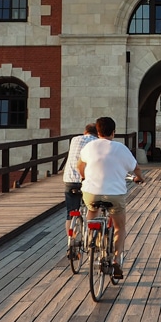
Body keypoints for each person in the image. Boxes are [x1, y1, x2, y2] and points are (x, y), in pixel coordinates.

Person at [78, 115, 143, 278]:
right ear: (113, 132)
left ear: (97, 131)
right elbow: (136, 168)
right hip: (114, 194)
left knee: (92, 213)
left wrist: (84, 177)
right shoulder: (120, 148)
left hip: (91, 193)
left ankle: (91, 239)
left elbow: (80, 165)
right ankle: (115, 261)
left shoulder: (90, 146)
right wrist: (140, 178)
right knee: (120, 227)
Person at [61, 124, 98, 253]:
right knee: (92, 208)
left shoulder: (75, 139)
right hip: (86, 181)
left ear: (85, 131)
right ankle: (89, 238)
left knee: (70, 213)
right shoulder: (96, 142)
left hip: (69, 180)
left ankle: (71, 242)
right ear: (97, 133)